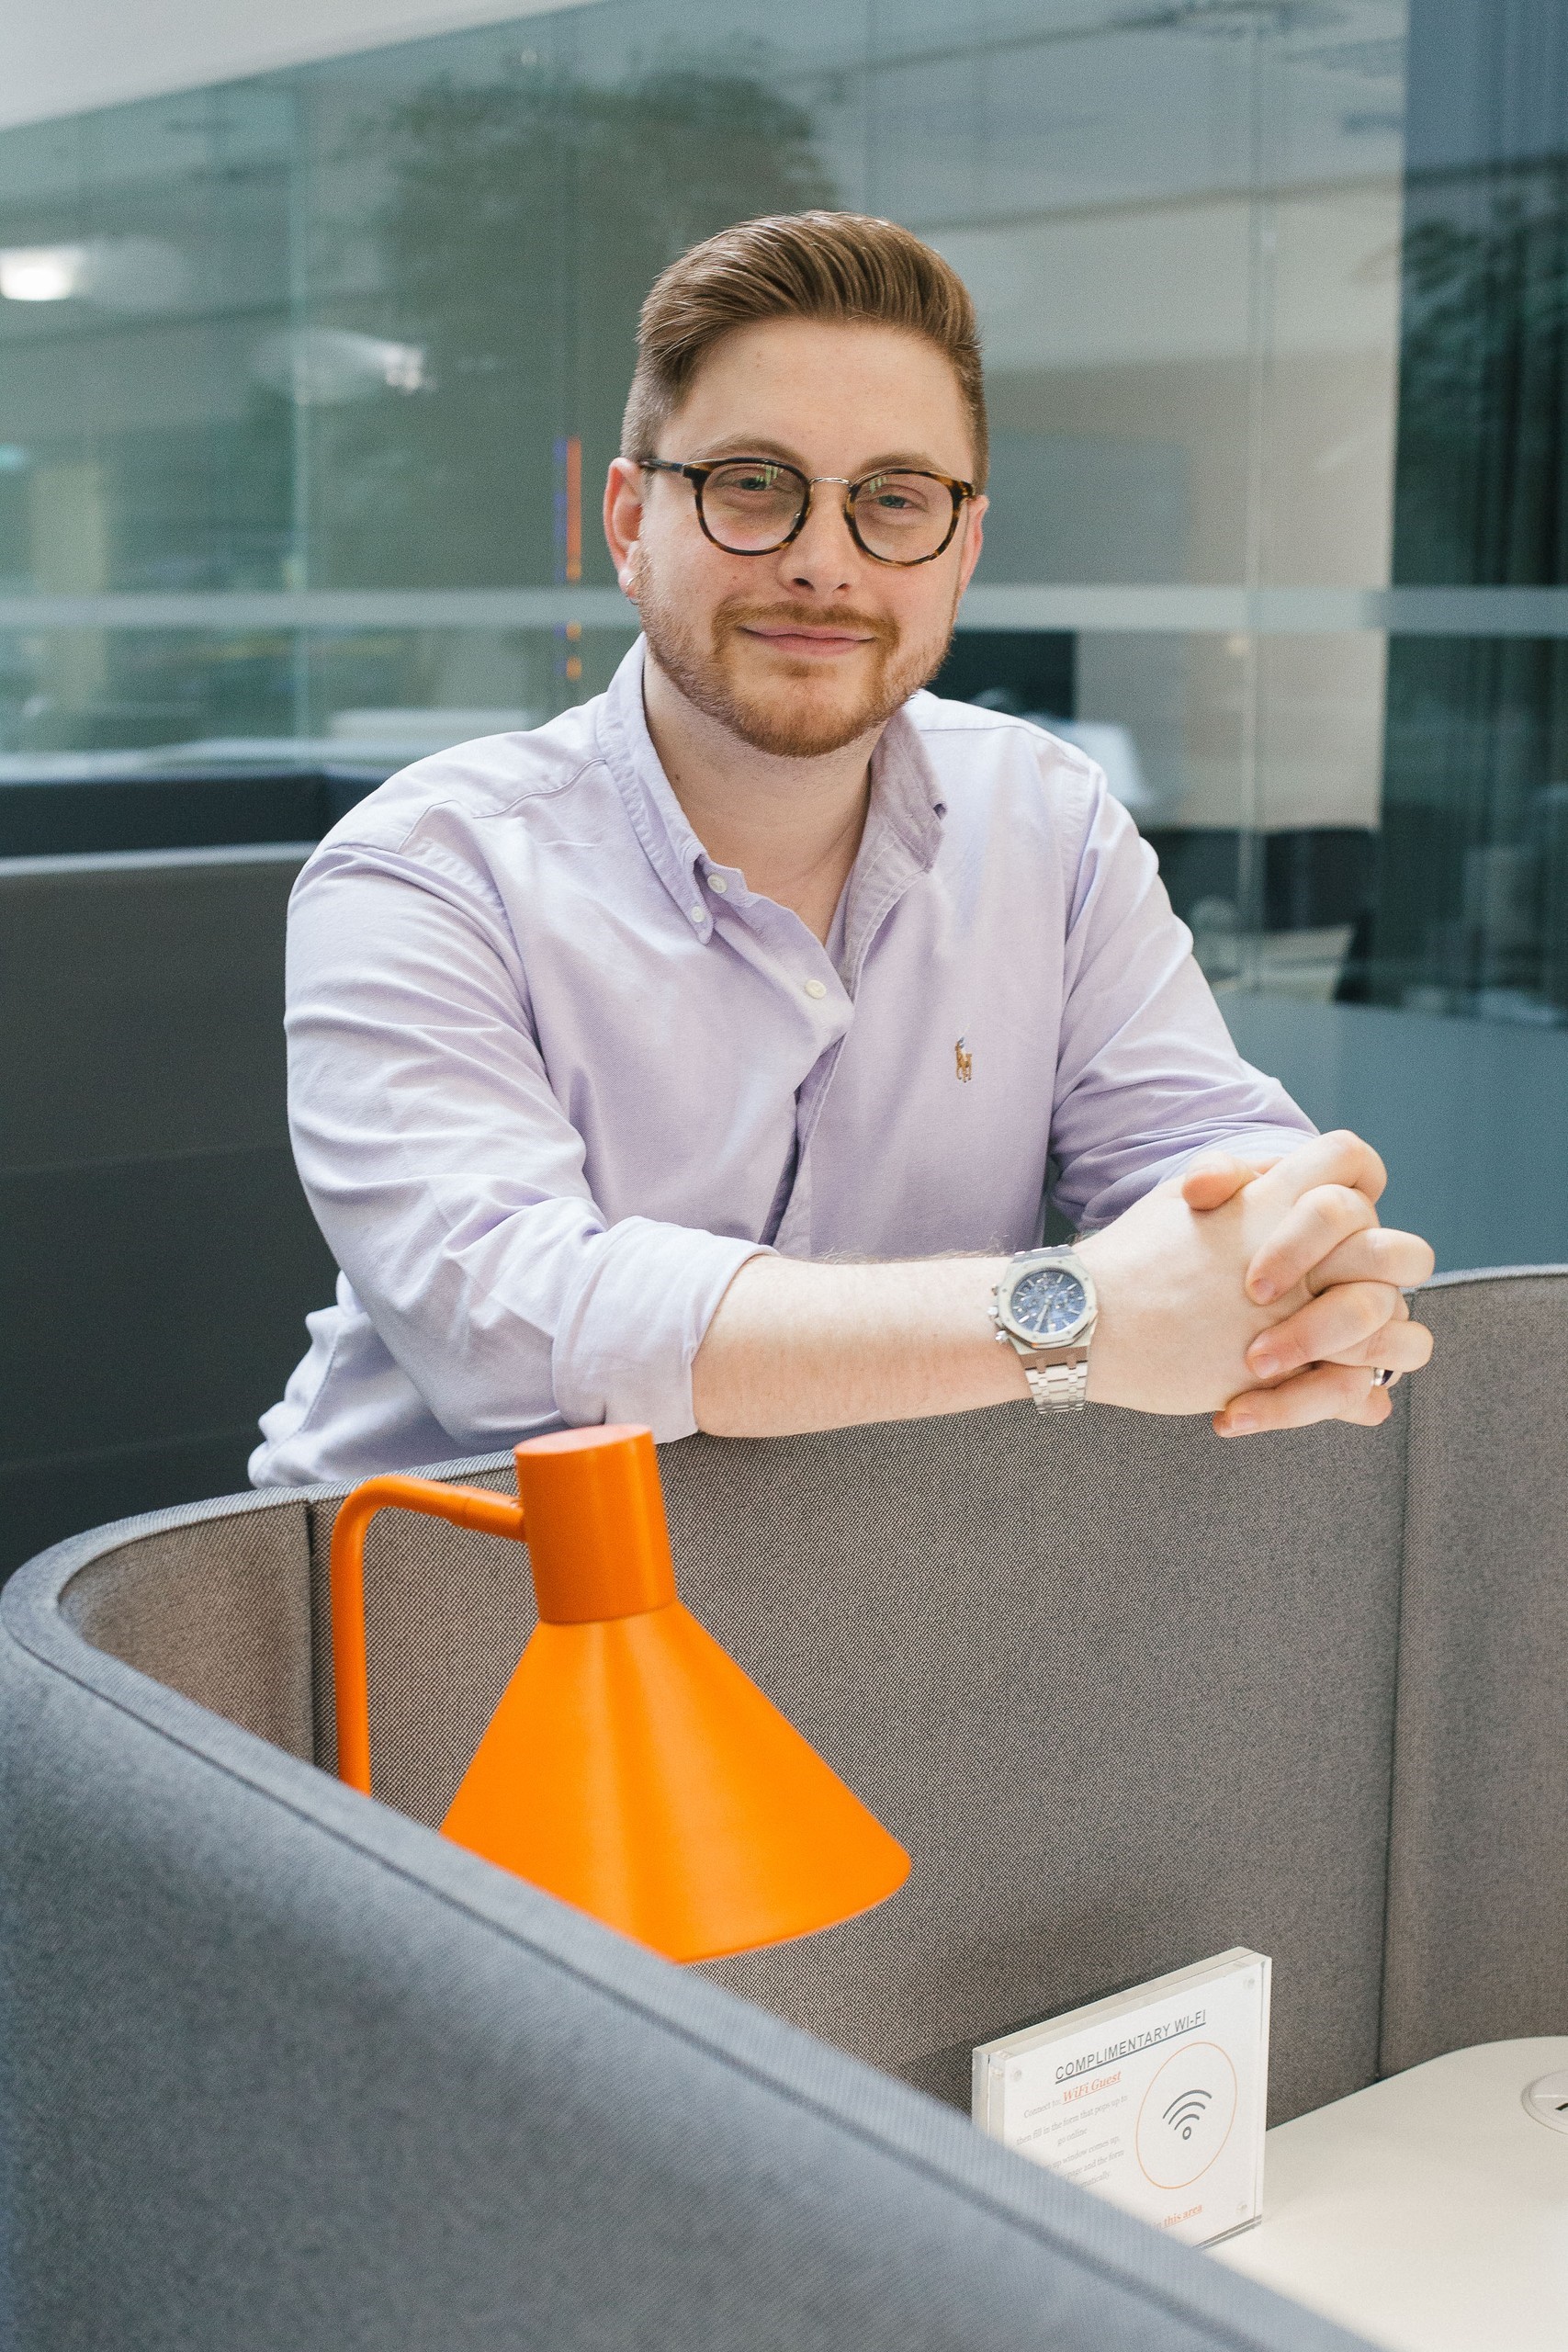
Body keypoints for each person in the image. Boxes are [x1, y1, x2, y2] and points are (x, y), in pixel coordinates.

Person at [251, 211, 1432, 1488]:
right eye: (752, 484)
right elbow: (521, 1336)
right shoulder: (425, 871)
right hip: (440, 1607)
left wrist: (1297, 1254)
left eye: (896, 499)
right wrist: (1068, 1317)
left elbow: (1198, 1160)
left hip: (871, 1597)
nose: (824, 563)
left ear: (963, 550)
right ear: (630, 517)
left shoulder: (1048, 817)